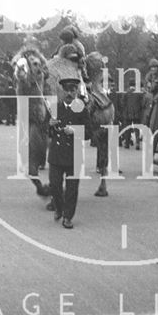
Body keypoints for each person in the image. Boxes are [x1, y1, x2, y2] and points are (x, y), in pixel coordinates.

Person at [48, 77, 91, 229]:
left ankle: (67, 216)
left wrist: (75, 131)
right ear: (62, 91)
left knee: (72, 189)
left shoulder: (82, 109)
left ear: (76, 92)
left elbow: (89, 133)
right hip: (56, 154)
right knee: (55, 186)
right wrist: (50, 125)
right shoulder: (54, 108)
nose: (69, 93)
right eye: (66, 90)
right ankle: (59, 208)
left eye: (72, 90)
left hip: (74, 154)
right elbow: (47, 133)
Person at [121, 82, 144, 150]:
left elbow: (122, 103)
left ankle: (127, 144)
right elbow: (142, 103)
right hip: (137, 113)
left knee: (128, 129)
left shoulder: (126, 93)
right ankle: (137, 143)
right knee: (137, 129)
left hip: (128, 113)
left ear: (129, 85)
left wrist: (125, 110)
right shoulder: (139, 93)